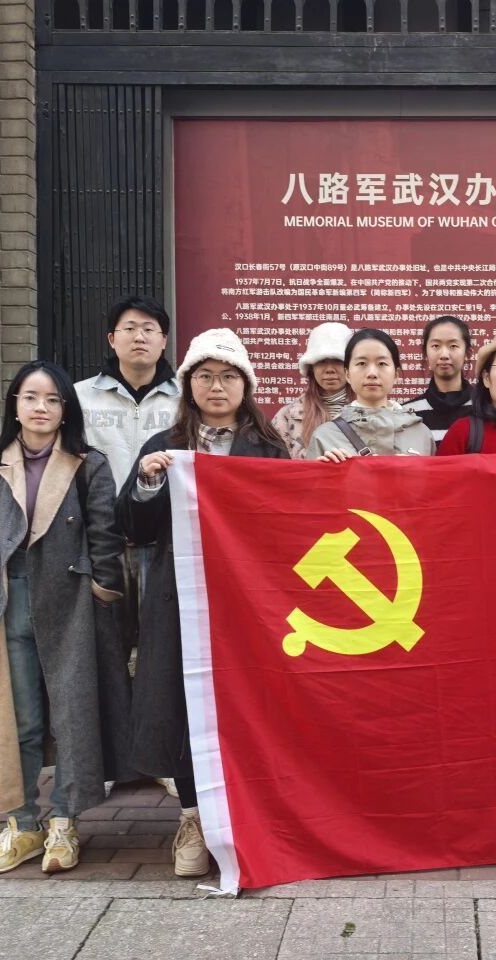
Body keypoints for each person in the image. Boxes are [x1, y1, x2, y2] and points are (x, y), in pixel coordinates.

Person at [0, 360, 130, 875]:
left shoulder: (88, 464)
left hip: (72, 603)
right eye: (30, 397)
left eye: (51, 399)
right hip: (9, 601)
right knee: (17, 717)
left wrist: (102, 591)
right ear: (15, 405)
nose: (40, 407)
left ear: (65, 409)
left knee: (72, 717)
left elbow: (105, 535)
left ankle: (65, 822)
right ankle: (23, 824)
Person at [119, 329, 289, 877]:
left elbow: (288, 525)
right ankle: (193, 816)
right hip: (180, 599)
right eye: (205, 376)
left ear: (246, 385)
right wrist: (147, 483)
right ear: (189, 384)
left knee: (248, 705)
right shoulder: (165, 446)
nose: (217, 386)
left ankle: (250, 816)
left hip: (248, 603)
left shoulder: (269, 448)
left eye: (229, 376)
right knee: (183, 704)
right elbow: (133, 527)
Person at [74, 294, 181, 799]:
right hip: (103, 546)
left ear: (164, 341)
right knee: (107, 655)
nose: (140, 336)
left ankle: (160, 755)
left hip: (165, 545)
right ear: (111, 338)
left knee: (162, 655)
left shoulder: (185, 400)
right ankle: (115, 758)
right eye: (130, 328)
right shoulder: (78, 399)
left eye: (150, 329)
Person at [307, 329, 435, 460]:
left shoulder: (421, 434)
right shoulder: (325, 436)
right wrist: (323, 469)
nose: (372, 373)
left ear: (396, 375)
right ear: (348, 374)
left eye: (382, 364)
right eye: (361, 363)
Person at [271, 321, 355, 459]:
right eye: (321, 361)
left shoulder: (370, 411)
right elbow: (276, 467)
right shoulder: (287, 416)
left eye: (337, 361)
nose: (329, 369)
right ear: (311, 367)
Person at [403, 315, 474, 443]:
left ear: (467, 354)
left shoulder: (485, 408)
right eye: (436, 346)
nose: (444, 355)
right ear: (425, 354)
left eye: (453, 346)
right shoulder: (407, 413)